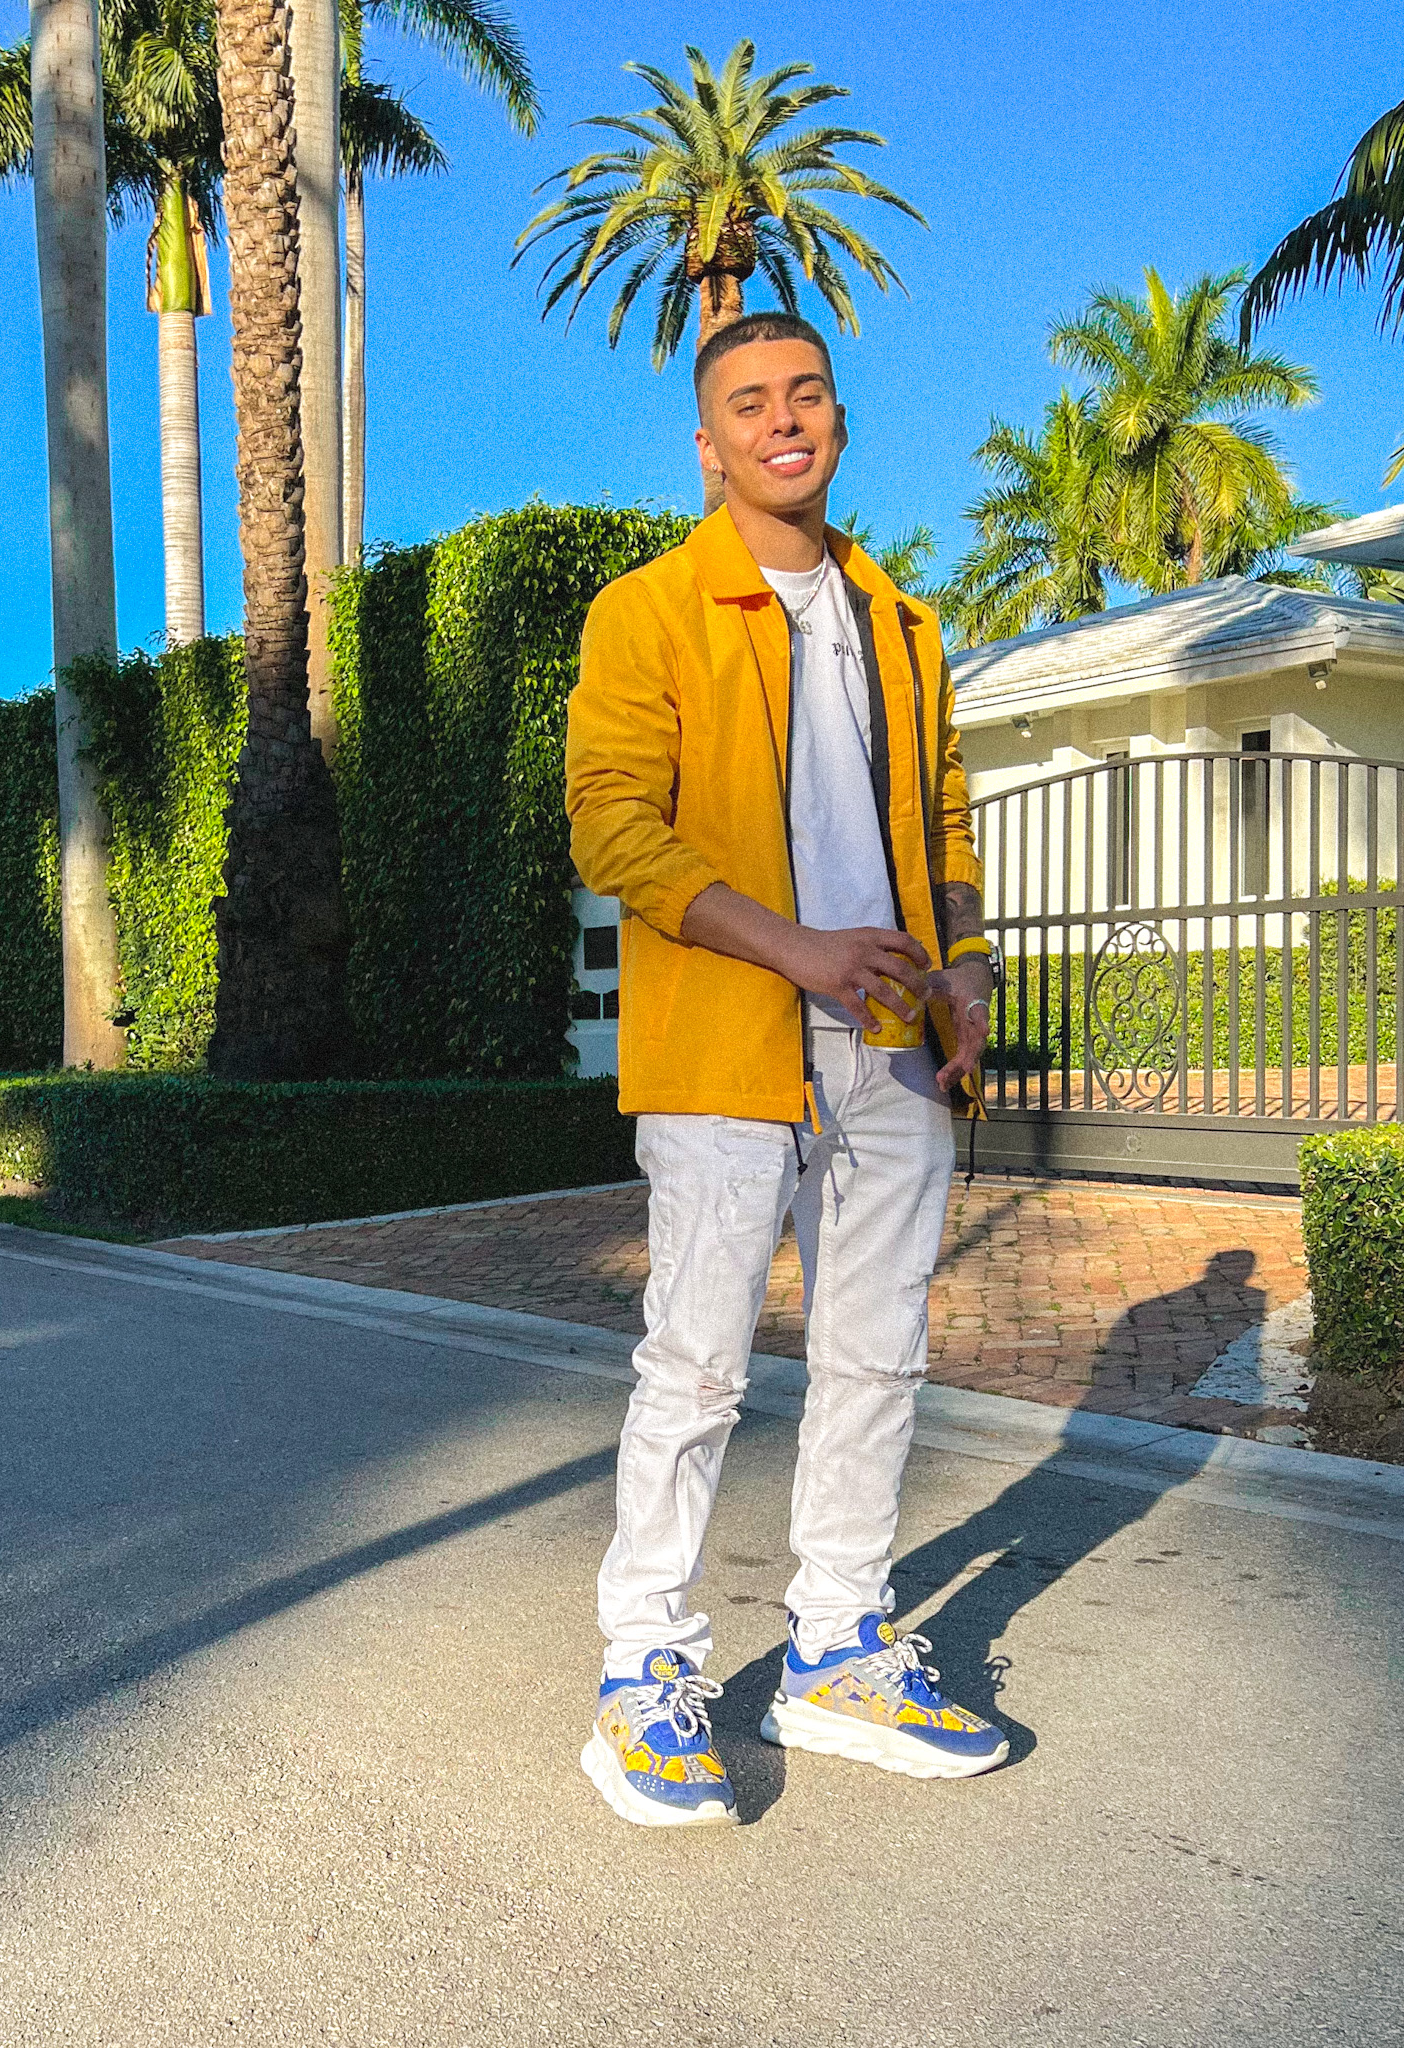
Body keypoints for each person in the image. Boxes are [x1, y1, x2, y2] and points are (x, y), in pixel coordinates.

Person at [565, 310, 1006, 1828]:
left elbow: (941, 818)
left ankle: (836, 1647)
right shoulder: (650, 610)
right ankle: (644, 1671)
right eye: (749, 403)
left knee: (877, 1357)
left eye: (805, 393)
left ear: (839, 418)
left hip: (890, 1045)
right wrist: (797, 948)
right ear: (710, 446)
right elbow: (614, 827)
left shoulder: (902, 622)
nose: (783, 420)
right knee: (696, 1367)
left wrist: (964, 960)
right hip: (725, 1046)